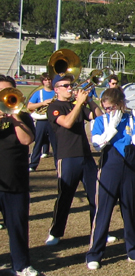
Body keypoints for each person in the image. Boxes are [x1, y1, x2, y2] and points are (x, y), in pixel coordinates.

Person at [87, 86, 135, 270]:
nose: (109, 111)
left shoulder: (129, 118)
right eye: (106, 108)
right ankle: (94, 254)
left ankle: (134, 251)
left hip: (129, 166)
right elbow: (97, 144)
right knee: (103, 211)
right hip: (110, 166)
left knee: (129, 210)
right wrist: (111, 128)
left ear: (121, 104)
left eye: (112, 108)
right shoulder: (100, 121)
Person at [45, 74, 104, 246]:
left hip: (86, 157)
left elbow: (98, 117)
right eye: (65, 85)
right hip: (67, 156)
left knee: (96, 197)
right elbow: (67, 123)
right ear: (56, 89)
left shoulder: (75, 105)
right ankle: (55, 232)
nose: (69, 87)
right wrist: (79, 103)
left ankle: (98, 230)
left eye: (70, 85)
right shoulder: (54, 107)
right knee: (65, 197)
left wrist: (90, 100)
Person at [0, 75, 39, 276]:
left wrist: (13, 116)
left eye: (8, 93)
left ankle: (21, 264)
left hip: (15, 180)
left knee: (17, 226)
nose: (4, 97)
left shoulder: (22, 116)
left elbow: (27, 140)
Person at [27, 73, 56, 171]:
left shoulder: (56, 92)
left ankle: (58, 165)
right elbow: (29, 106)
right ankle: (32, 165)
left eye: (49, 79)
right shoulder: (38, 93)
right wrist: (43, 103)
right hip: (41, 121)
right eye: (46, 80)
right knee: (38, 142)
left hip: (54, 121)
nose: (48, 82)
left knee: (56, 144)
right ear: (42, 81)